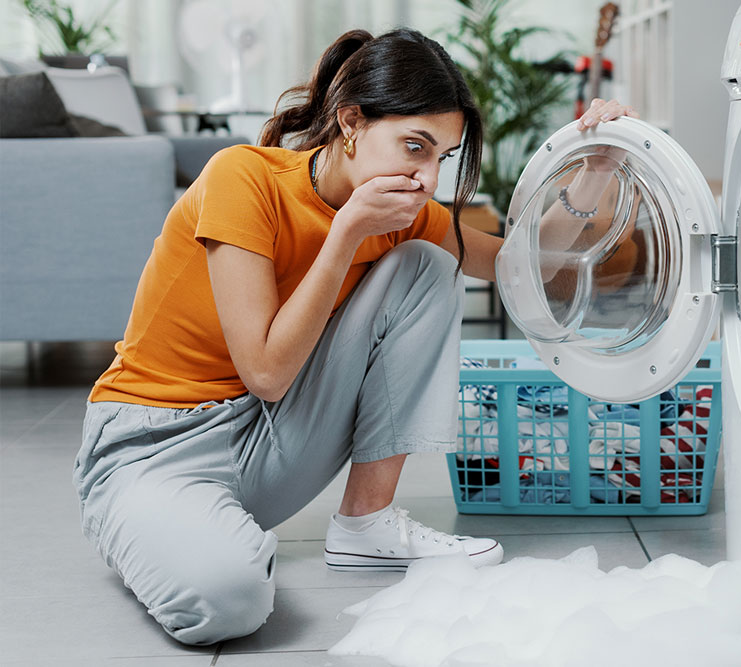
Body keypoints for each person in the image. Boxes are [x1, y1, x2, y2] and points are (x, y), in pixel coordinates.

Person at [71, 27, 637, 646]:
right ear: (350, 122)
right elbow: (265, 370)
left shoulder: (404, 216)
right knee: (228, 603)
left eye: (440, 158)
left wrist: (594, 173)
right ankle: (150, 523)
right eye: (414, 146)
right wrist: (345, 234)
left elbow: (523, 268)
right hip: (153, 443)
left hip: (266, 436)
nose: (425, 178)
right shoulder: (244, 178)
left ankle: (365, 527)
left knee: (425, 267)